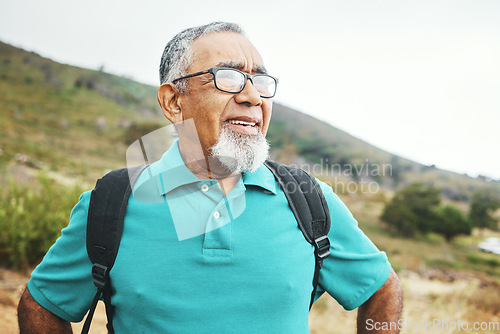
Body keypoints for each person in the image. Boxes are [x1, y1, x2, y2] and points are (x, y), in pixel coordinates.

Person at [18, 22, 403, 333]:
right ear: (173, 102)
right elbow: (42, 304)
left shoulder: (309, 200)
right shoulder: (110, 205)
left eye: (260, 81)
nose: (253, 96)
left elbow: (381, 288)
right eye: (229, 77)